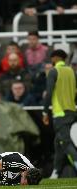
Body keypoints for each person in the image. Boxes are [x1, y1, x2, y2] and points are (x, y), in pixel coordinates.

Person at [42, 49, 77, 178]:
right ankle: (55, 172)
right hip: (72, 111)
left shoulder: (54, 71)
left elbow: (49, 93)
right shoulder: (72, 72)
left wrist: (45, 111)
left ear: (55, 58)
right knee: (58, 143)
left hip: (60, 113)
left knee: (66, 143)